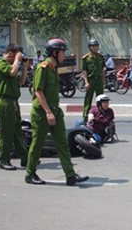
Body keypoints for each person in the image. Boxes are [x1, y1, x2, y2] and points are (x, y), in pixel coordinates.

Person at [25, 39, 89, 185]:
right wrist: (48, 112)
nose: (64, 55)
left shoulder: (54, 69)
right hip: (42, 113)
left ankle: (70, 175)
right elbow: (38, 92)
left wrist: (53, 112)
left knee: (62, 144)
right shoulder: (43, 68)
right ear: (55, 52)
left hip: (55, 111)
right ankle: (30, 173)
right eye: (62, 52)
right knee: (38, 143)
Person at [0, 43, 28, 170]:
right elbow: (13, 72)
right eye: (17, 55)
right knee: (7, 133)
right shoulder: (1, 63)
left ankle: (24, 158)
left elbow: (22, 81)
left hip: (13, 102)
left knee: (17, 132)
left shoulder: (10, 66)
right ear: (10, 54)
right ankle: (4, 159)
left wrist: (24, 67)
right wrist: (17, 60)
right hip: (4, 102)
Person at [81, 39, 106, 120]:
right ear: (89, 47)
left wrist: (104, 79)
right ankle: (85, 115)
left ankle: (100, 114)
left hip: (99, 80)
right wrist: (86, 82)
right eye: (93, 46)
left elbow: (102, 69)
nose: (95, 47)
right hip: (90, 80)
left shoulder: (101, 57)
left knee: (100, 99)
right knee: (88, 98)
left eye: (96, 46)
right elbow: (85, 71)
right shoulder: (86, 58)